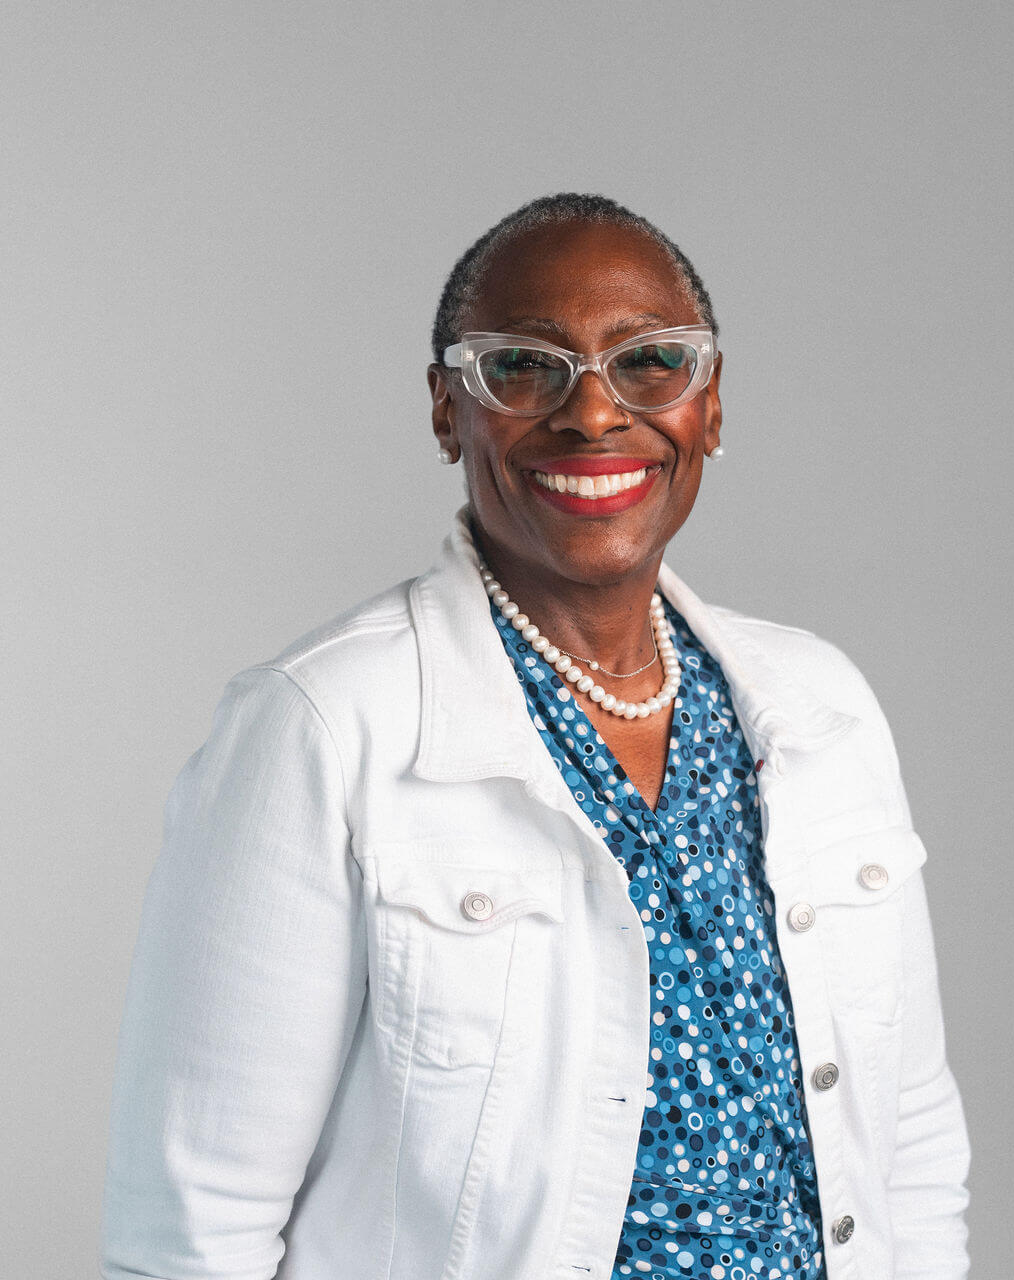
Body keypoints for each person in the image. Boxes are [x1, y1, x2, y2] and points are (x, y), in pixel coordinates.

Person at [99, 193, 970, 1280]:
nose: (593, 415)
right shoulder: (323, 726)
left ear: (708, 404)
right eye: (523, 366)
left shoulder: (819, 705)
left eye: (651, 362)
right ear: (445, 409)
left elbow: (912, 1140)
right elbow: (192, 1223)